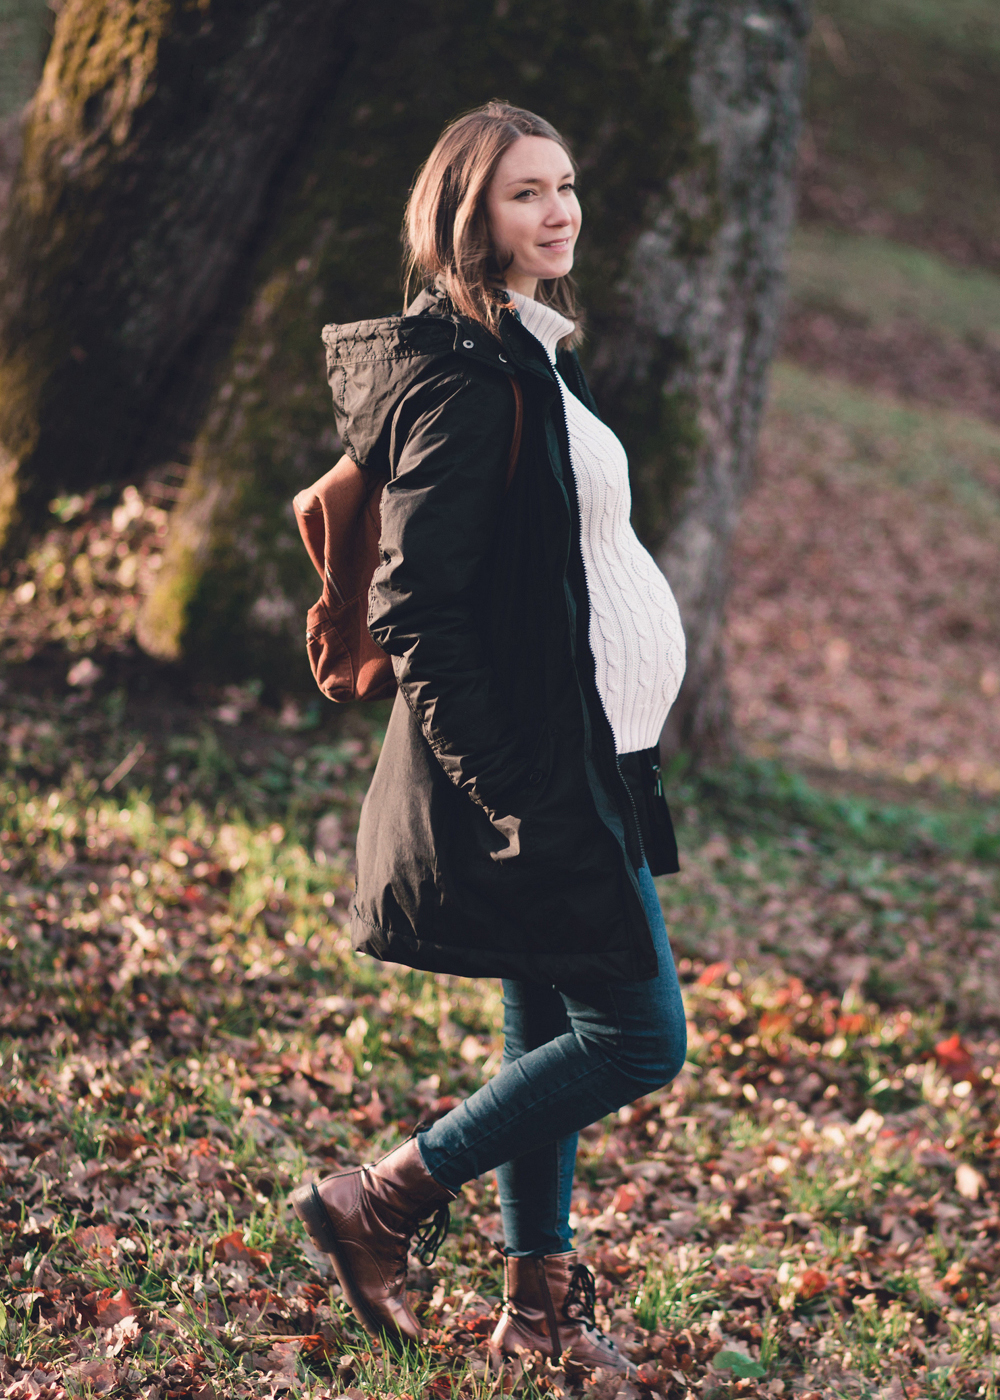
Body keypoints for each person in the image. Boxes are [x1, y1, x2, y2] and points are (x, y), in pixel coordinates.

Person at [291, 101, 689, 1375]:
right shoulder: (464, 380)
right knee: (638, 1034)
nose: (559, 210)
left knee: (545, 1032)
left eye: (566, 185)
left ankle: (535, 1314)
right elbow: (415, 606)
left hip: (594, 752)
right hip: (541, 770)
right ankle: (381, 1196)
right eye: (526, 193)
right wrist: (513, 787)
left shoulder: (526, 349)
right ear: (467, 216)